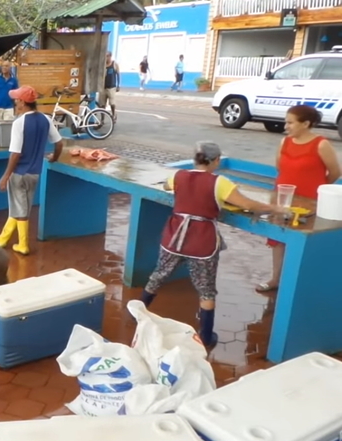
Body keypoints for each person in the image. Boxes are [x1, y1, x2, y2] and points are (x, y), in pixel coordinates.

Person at [138, 142, 288, 348]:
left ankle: (137, 314)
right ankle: (207, 337)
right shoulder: (220, 183)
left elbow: (166, 186)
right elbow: (247, 204)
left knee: (158, 275)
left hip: (174, 238)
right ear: (216, 161)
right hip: (202, 243)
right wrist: (275, 208)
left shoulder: (178, 176)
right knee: (206, 289)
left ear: (195, 159)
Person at [256, 105, 341, 293]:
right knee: (277, 239)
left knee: (303, 239)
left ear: (306, 124)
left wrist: (318, 190)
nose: (286, 126)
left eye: (290, 122)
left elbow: (335, 172)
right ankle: (276, 278)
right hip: (282, 196)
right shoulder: (285, 142)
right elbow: (281, 168)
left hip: (309, 200)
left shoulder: (320, 144)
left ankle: (300, 282)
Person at [0, 85, 63, 256]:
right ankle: (3, 237)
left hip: (19, 173)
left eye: (17, 99)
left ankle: (23, 244)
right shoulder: (46, 119)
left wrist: (5, 175)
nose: (15, 102)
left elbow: (15, 153)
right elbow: (59, 143)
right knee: (19, 206)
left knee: (21, 210)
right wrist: (54, 158)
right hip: (35, 173)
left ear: (23, 102)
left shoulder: (20, 122)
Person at [99, 52, 120, 122]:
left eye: (107, 56)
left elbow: (118, 74)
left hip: (111, 87)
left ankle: (113, 115)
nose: (106, 58)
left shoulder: (114, 64)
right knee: (102, 104)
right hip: (103, 87)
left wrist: (118, 85)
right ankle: (102, 119)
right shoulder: (103, 65)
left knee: (112, 103)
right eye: (105, 56)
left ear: (110, 56)